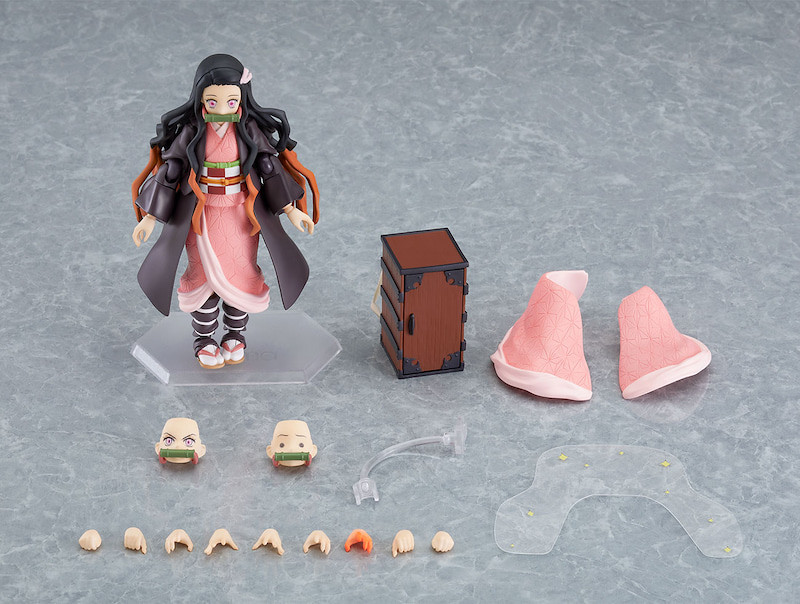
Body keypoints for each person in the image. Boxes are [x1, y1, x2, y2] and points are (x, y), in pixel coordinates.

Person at [131, 54, 319, 368]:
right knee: (202, 277)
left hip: (241, 216)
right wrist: (150, 216)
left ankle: (235, 335)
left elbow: (269, 167)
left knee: (240, 275)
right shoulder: (193, 131)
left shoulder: (248, 129)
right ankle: (204, 339)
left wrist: (291, 209)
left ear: (242, 98)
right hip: (201, 217)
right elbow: (171, 171)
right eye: (213, 101)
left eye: (230, 101)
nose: (221, 108)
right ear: (200, 98)